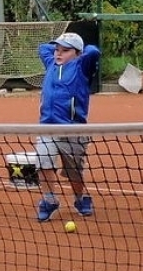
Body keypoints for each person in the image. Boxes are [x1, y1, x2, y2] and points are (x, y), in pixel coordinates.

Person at [34, 31, 100, 222]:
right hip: (47, 126)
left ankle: (80, 198)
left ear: (78, 53)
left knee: (74, 171)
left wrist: (80, 51)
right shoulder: (51, 63)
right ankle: (49, 200)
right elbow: (42, 48)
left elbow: (93, 51)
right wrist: (61, 44)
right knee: (43, 161)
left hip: (73, 128)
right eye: (57, 50)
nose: (58, 54)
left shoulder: (82, 67)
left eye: (65, 50)